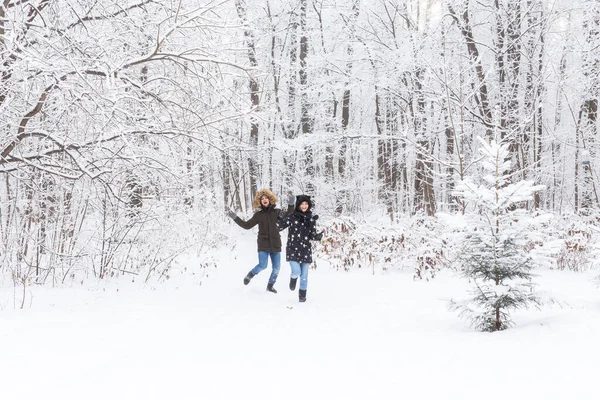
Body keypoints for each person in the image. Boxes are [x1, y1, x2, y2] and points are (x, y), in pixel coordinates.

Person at [227, 189, 283, 293]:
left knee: (276, 268)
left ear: (270, 200)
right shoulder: (258, 215)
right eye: (262, 199)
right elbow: (247, 225)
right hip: (263, 245)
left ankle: (270, 286)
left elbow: (288, 216)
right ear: (260, 202)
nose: (264, 200)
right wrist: (235, 218)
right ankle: (251, 274)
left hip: (275, 244)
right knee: (263, 265)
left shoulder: (277, 212)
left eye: (266, 198)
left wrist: (291, 204)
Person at [278, 194, 323, 302]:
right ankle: (293, 278)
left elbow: (312, 235)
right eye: (302, 204)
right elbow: (279, 227)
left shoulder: (311, 219)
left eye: (306, 204)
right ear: (298, 205)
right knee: (296, 271)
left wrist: (317, 236)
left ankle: (302, 298)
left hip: (306, 250)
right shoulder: (292, 217)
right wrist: (281, 217)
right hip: (293, 248)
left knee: (304, 276)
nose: (304, 206)